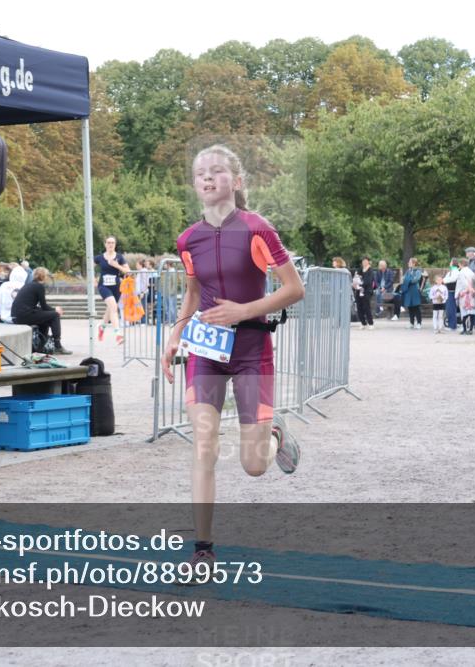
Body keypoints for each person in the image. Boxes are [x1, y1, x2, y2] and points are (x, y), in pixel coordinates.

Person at [161, 145, 304, 578]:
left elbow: (294, 288)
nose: (207, 178)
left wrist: (243, 311)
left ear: (236, 181)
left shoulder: (258, 230)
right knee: (203, 445)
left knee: (253, 466)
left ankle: (274, 431)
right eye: (200, 173)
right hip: (205, 351)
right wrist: (174, 336)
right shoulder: (188, 239)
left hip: (251, 351)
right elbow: (192, 293)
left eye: (217, 171)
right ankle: (202, 548)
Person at [11, 268, 73, 355]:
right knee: (55, 315)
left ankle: (41, 347)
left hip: (18, 316)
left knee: (46, 318)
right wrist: (55, 310)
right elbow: (44, 306)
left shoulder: (30, 285)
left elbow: (39, 307)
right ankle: (58, 346)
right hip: (24, 315)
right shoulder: (39, 286)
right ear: (44, 277)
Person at [95, 236, 131, 345]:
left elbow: (128, 272)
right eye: (108, 242)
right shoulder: (99, 258)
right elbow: (89, 268)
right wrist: (92, 279)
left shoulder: (119, 257)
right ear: (105, 244)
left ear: (115, 245)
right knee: (114, 308)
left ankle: (102, 327)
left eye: (113, 243)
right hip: (103, 286)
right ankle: (118, 335)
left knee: (110, 309)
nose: (110, 244)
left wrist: (117, 265)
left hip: (116, 287)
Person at [401, 258, 425, 329]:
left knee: (416, 307)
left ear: (414, 263)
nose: (408, 263)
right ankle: (411, 322)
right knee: (410, 307)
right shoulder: (408, 271)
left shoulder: (418, 271)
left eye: (410, 262)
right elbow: (403, 278)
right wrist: (407, 279)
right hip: (408, 290)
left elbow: (415, 280)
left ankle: (419, 322)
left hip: (415, 290)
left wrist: (407, 280)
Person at [353, 257, 376, 329]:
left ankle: (371, 323)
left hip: (367, 291)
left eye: (366, 261)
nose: (364, 262)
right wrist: (355, 284)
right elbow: (356, 277)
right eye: (363, 261)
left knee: (366, 307)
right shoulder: (360, 269)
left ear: (369, 262)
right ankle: (363, 323)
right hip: (359, 290)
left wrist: (360, 284)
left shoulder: (370, 270)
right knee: (359, 307)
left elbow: (368, 281)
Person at [455, 258, 475, 335]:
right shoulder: (471, 271)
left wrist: (458, 293)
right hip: (472, 293)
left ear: (461, 264)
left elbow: (463, 284)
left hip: (464, 293)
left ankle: (465, 329)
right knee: (471, 311)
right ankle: (470, 329)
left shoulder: (461, 272)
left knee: (464, 312)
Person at [443, 260, 459, 330]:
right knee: (448, 309)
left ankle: (452, 326)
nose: (449, 263)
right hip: (448, 291)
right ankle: (450, 324)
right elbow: (446, 278)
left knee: (451, 309)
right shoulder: (450, 272)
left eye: (450, 262)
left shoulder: (456, 271)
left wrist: (444, 280)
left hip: (452, 292)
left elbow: (453, 279)